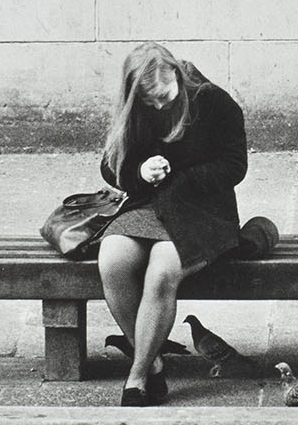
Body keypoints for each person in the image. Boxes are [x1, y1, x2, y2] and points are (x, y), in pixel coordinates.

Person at [95, 41, 248, 406]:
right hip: (148, 205)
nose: (160, 105)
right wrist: (139, 171)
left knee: (162, 271)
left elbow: (235, 166)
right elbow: (110, 165)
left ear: (177, 75)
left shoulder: (213, 102)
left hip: (204, 211)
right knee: (112, 259)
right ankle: (155, 363)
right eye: (150, 101)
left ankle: (137, 375)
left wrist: (181, 176)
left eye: (165, 95)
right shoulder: (136, 108)